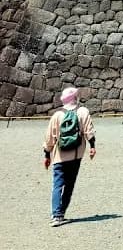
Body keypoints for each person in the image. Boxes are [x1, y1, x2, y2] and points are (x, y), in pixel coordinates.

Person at [43, 86, 96, 227]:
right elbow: (89, 131)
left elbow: (49, 138)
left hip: (59, 156)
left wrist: (46, 154)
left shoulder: (57, 115)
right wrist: (92, 147)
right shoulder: (83, 111)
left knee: (57, 185)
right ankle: (62, 213)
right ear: (75, 98)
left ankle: (56, 216)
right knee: (69, 185)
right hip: (76, 155)